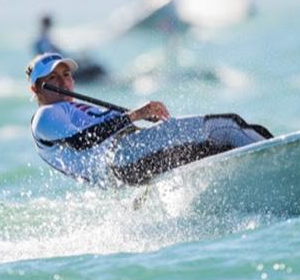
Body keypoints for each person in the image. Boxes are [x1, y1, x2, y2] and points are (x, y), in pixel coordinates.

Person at [27, 53, 270, 186]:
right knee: (227, 127)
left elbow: (106, 130)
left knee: (222, 143)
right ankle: (278, 162)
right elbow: (84, 141)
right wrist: (135, 114)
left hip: (128, 158)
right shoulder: (45, 116)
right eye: (53, 78)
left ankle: (261, 177)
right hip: (123, 159)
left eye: (66, 75)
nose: (63, 82)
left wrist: (139, 122)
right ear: (36, 89)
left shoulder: (72, 109)